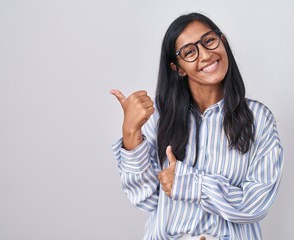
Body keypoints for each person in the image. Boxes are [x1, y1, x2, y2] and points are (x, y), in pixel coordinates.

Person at [110, 12, 284, 240]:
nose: (205, 55)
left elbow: (256, 204)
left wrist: (190, 184)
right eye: (190, 52)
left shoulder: (259, 119)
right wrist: (130, 132)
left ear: (223, 41)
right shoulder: (160, 118)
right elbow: (145, 199)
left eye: (209, 41)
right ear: (178, 68)